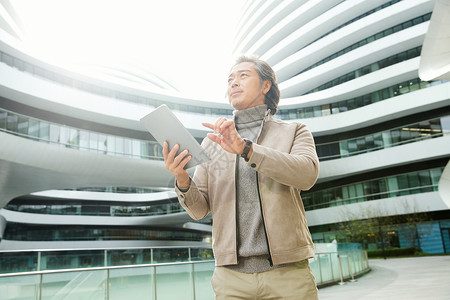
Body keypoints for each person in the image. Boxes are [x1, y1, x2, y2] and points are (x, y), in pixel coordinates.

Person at [163, 55, 320, 299]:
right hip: (231, 279)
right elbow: (199, 210)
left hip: (288, 274)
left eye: (243, 75)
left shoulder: (294, 131)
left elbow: (307, 174)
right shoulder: (212, 143)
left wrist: (247, 149)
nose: (233, 82)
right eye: (230, 79)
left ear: (266, 85)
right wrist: (182, 178)